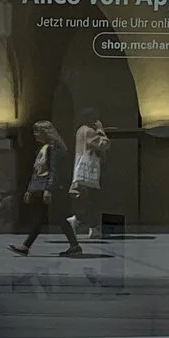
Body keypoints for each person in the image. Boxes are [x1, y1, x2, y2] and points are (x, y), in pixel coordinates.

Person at [9, 118, 82, 258]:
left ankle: (25, 246)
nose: (35, 135)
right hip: (40, 187)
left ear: (45, 133)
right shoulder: (42, 149)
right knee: (54, 217)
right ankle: (74, 246)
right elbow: (37, 171)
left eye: (37, 132)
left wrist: (49, 189)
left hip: (48, 189)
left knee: (43, 217)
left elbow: (54, 171)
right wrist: (30, 189)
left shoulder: (53, 149)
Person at [69, 109, 108, 244]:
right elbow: (103, 144)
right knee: (92, 200)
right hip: (89, 170)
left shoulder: (80, 130)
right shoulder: (90, 132)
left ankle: (89, 225)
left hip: (80, 167)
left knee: (86, 198)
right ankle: (80, 221)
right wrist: (101, 130)